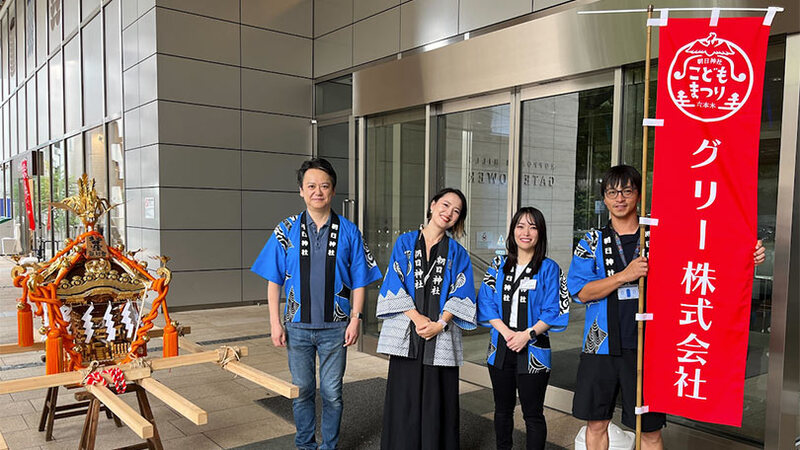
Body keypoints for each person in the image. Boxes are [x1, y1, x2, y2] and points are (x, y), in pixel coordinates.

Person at [567, 164, 766, 450]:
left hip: (651, 348)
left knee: (650, 430)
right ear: (605, 198)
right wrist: (625, 275)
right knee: (597, 423)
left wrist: (748, 254)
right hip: (600, 346)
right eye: (612, 192)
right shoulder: (591, 241)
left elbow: (706, 258)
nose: (619, 198)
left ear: (638, 195)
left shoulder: (661, 236)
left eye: (627, 191)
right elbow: (581, 292)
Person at [251, 158, 382, 450]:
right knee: (303, 391)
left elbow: (360, 281)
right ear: (301, 190)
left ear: (333, 191)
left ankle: (329, 445)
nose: (317, 191)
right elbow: (274, 281)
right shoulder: (284, 230)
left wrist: (356, 319)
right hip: (297, 326)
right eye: (311, 186)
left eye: (324, 186)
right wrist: (275, 322)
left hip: (336, 328)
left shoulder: (349, 231)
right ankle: (305, 444)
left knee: (333, 392)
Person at [376, 188, 477, 450]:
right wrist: (418, 318)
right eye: (445, 205)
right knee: (404, 397)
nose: (449, 213)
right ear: (432, 205)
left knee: (437, 398)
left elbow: (462, 290)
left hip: (440, 333)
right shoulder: (405, 242)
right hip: (407, 330)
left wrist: (440, 324)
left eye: (456, 211)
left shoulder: (458, 253)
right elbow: (394, 280)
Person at [477, 207, 570, 450]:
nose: (525, 232)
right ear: (512, 231)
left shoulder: (549, 268)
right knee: (502, 411)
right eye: (520, 226)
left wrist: (527, 334)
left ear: (540, 233)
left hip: (535, 349)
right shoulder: (498, 264)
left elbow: (554, 309)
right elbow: (485, 302)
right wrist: (508, 333)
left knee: (533, 414)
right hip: (501, 347)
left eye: (532, 226)